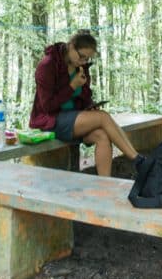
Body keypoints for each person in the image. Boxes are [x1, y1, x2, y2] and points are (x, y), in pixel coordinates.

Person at [29, 30, 145, 176]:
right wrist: (72, 86)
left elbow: (83, 97)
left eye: (87, 59)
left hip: (73, 119)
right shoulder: (47, 65)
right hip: (51, 121)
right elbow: (47, 106)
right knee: (103, 117)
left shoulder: (81, 68)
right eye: (81, 56)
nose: (83, 61)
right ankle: (138, 160)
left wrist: (90, 106)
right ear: (71, 46)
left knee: (102, 135)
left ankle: (105, 186)